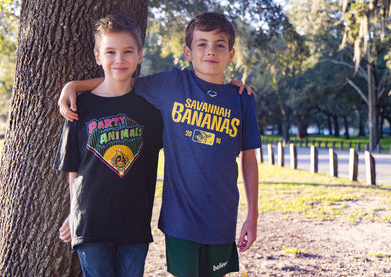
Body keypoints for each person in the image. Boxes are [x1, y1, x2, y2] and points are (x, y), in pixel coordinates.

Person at [59, 12, 261, 277]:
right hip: (179, 221)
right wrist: (73, 86)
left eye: (219, 45)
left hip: (221, 218)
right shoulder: (171, 84)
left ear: (231, 54)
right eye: (202, 44)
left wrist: (253, 215)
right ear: (188, 52)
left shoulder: (241, 98)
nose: (210, 51)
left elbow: (249, 158)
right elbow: (121, 81)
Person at [54, 14, 163, 277]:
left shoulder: (151, 109)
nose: (119, 59)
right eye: (110, 52)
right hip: (91, 222)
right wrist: (74, 212)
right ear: (97, 56)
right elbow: (73, 167)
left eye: (128, 52)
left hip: (135, 222)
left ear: (139, 55)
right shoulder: (80, 106)